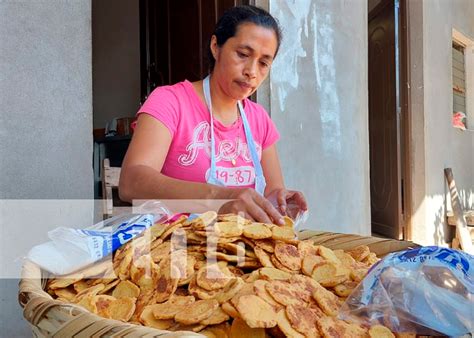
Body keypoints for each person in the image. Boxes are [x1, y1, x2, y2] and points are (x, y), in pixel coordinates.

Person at [119, 5, 307, 225]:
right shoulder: (170, 102)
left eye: (264, 63)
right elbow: (131, 182)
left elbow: (273, 191)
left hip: (238, 253)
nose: (252, 71)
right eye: (243, 54)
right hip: (176, 248)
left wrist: (279, 203)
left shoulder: (259, 119)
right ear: (216, 46)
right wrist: (222, 197)